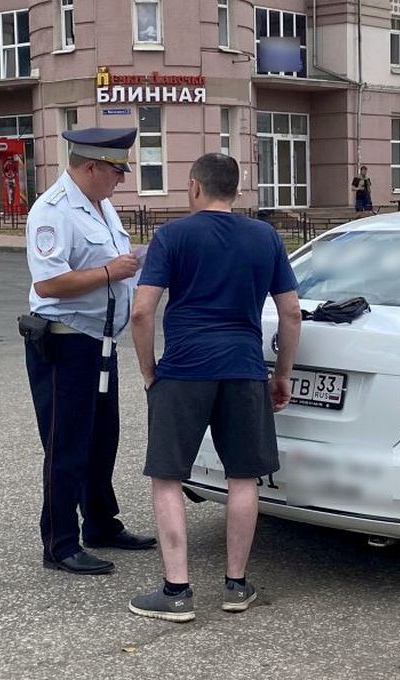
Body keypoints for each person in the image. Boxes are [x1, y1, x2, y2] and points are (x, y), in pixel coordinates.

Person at [128, 153, 302, 622]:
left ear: (194, 187)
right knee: (243, 476)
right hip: (244, 369)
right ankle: (236, 586)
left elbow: (142, 312)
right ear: (236, 189)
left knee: (168, 476)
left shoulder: (172, 236)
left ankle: (177, 592)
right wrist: (282, 373)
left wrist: (149, 372)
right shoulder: (265, 236)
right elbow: (290, 313)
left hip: (183, 371)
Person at [24, 127, 157, 576]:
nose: (122, 178)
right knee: (67, 444)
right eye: (117, 170)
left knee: (103, 439)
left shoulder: (102, 206)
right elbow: (48, 283)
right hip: (66, 343)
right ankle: (60, 543)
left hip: (100, 341)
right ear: (90, 167)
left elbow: (118, 267)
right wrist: (108, 271)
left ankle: (101, 523)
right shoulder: (53, 210)